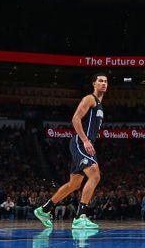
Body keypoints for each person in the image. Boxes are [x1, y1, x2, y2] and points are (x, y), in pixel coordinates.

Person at [34, 73, 108, 229]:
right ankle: (80, 217)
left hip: (85, 143)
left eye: (106, 81)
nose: (103, 83)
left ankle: (44, 210)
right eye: (100, 81)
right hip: (80, 142)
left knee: (74, 184)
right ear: (93, 84)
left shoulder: (100, 105)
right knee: (95, 175)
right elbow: (75, 118)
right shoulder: (90, 99)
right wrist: (85, 140)